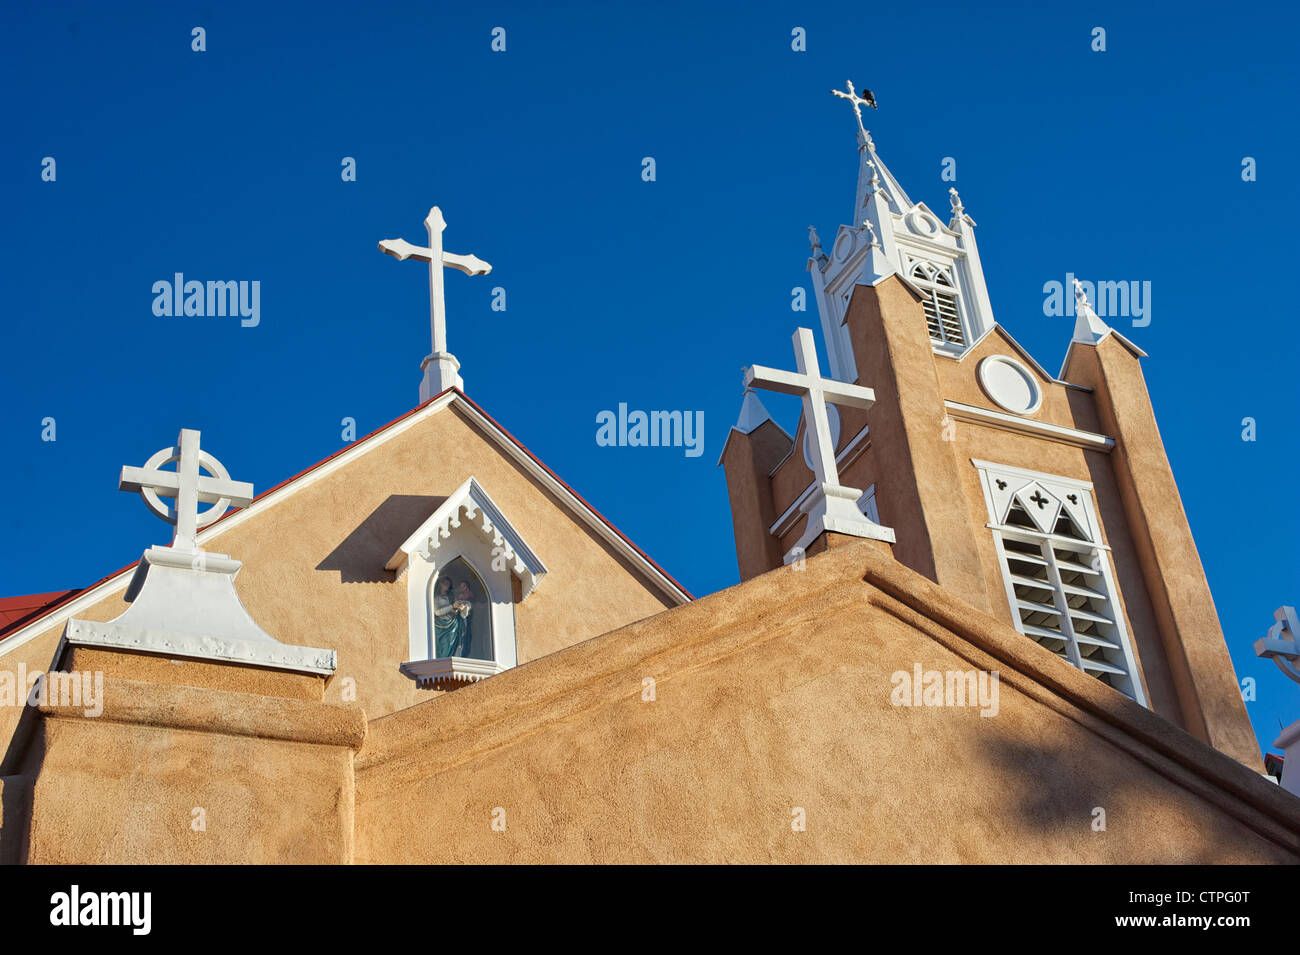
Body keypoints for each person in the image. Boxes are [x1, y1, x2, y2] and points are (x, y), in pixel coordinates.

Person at [432, 576, 468, 658]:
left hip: (453, 625)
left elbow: (456, 608)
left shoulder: (451, 597)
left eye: (449, 584)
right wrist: (452, 607)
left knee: (452, 646)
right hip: (441, 626)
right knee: (444, 647)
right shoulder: (436, 598)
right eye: (446, 583)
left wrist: (460, 607)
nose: (447, 586)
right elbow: (437, 612)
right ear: (440, 584)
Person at [452, 580, 475, 656]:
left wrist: (462, 605)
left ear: (467, 587)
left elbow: (465, 613)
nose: (462, 588)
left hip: (465, 621)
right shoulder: (460, 597)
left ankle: (463, 653)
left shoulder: (469, 601)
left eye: (464, 586)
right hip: (460, 621)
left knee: (465, 635)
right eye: (461, 587)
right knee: (459, 635)